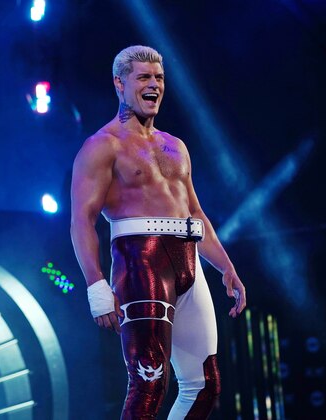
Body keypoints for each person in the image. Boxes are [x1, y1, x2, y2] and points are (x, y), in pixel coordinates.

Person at [70, 45, 246, 419]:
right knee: (149, 382)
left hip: (189, 264)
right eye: (144, 77)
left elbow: (194, 212)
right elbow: (81, 220)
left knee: (204, 386)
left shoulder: (175, 146)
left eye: (159, 78)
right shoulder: (102, 146)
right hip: (141, 264)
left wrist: (226, 266)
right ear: (120, 84)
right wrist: (96, 285)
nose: (154, 85)